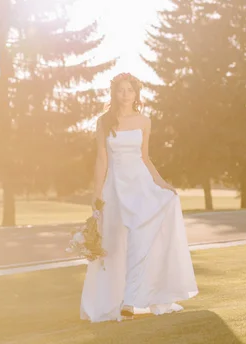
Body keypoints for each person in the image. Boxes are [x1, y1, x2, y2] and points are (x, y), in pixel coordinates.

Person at [80, 72, 198, 322]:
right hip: (115, 186)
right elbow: (102, 158)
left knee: (139, 239)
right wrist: (96, 192)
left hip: (141, 186)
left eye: (129, 90)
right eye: (121, 90)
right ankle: (112, 300)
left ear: (136, 93)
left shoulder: (144, 121)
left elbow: (145, 157)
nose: (125, 94)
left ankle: (131, 301)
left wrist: (161, 183)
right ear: (115, 93)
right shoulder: (103, 121)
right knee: (113, 244)